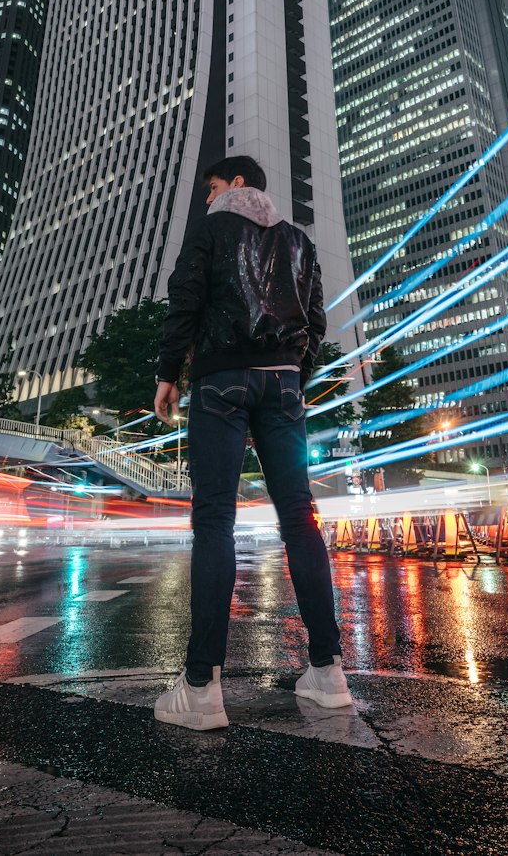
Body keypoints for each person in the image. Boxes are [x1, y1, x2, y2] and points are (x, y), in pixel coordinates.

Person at [152, 155, 352, 730]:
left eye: (212, 187)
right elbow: (314, 319)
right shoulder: (296, 240)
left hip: (220, 382)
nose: (208, 198)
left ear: (236, 184)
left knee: (214, 519)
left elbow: (185, 299)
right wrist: (296, 374)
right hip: (283, 383)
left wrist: (169, 373)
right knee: (299, 515)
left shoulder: (212, 229)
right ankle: (328, 671)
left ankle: (202, 687)